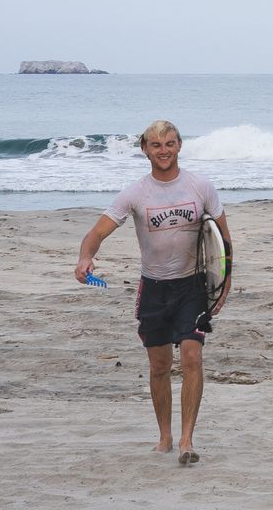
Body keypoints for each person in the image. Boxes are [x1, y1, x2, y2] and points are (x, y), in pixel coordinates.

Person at [74, 120, 231, 465]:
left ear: (180, 145)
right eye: (156, 145)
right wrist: (86, 257)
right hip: (154, 289)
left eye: (170, 143)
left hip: (192, 286)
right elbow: (97, 233)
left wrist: (223, 283)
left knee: (192, 357)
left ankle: (187, 440)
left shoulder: (200, 186)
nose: (164, 151)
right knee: (159, 366)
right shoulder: (135, 194)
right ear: (145, 148)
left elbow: (222, 238)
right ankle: (165, 437)